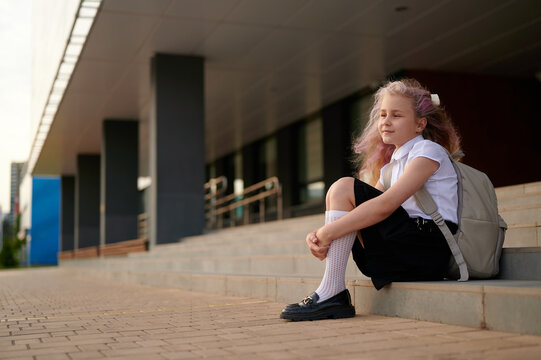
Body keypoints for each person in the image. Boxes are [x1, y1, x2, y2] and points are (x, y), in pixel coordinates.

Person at [280, 78, 462, 321]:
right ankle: (331, 292)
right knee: (345, 197)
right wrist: (320, 234)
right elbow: (362, 209)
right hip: (406, 250)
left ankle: (331, 293)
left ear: (420, 124)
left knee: (343, 187)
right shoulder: (390, 168)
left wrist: (329, 232)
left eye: (396, 115)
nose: (385, 121)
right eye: (383, 114)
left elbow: (384, 206)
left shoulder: (429, 151)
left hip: (431, 249)